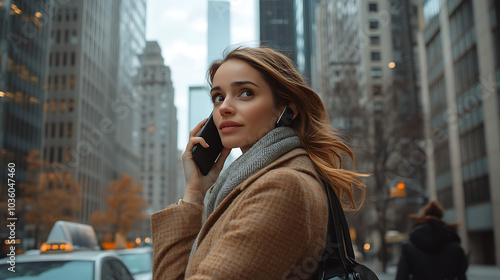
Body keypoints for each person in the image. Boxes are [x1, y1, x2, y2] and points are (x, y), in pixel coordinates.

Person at [151, 46, 366, 279]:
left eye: (245, 93)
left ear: (286, 111)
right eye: (218, 97)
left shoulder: (283, 186)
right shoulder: (253, 182)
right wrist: (194, 193)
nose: (224, 107)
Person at [395, 201, 468, 280]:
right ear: (441, 217)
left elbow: (401, 277)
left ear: (424, 216)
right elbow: (461, 276)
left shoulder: (409, 247)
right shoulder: (455, 248)